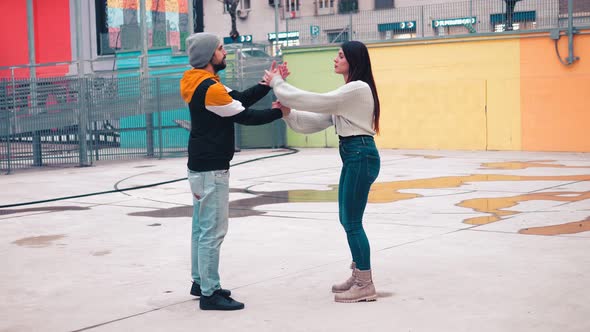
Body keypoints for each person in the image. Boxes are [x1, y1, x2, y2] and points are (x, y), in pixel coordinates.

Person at [263, 40, 381, 303]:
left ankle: (365, 284)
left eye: (340, 55)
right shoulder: (348, 93)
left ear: (354, 60)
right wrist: (287, 113)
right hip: (355, 155)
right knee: (347, 219)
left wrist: (277, 83)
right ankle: (359, 271)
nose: (335, 59)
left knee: (351, 222)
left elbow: (314, 101)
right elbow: (311, 122)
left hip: (360, 155)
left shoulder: (357, 89)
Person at [180, 32, 289, 311]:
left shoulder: (198, 81)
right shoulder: (210, 88)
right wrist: (280, 112)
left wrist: (266, 84)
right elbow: (244, 115)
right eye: (220, 49)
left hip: (200, 166)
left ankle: (199, 281)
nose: (224, 52)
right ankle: (209, 293)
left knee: (200, 229)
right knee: (213, 231)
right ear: (208, 56)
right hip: (211, 169)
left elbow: (238, 98)